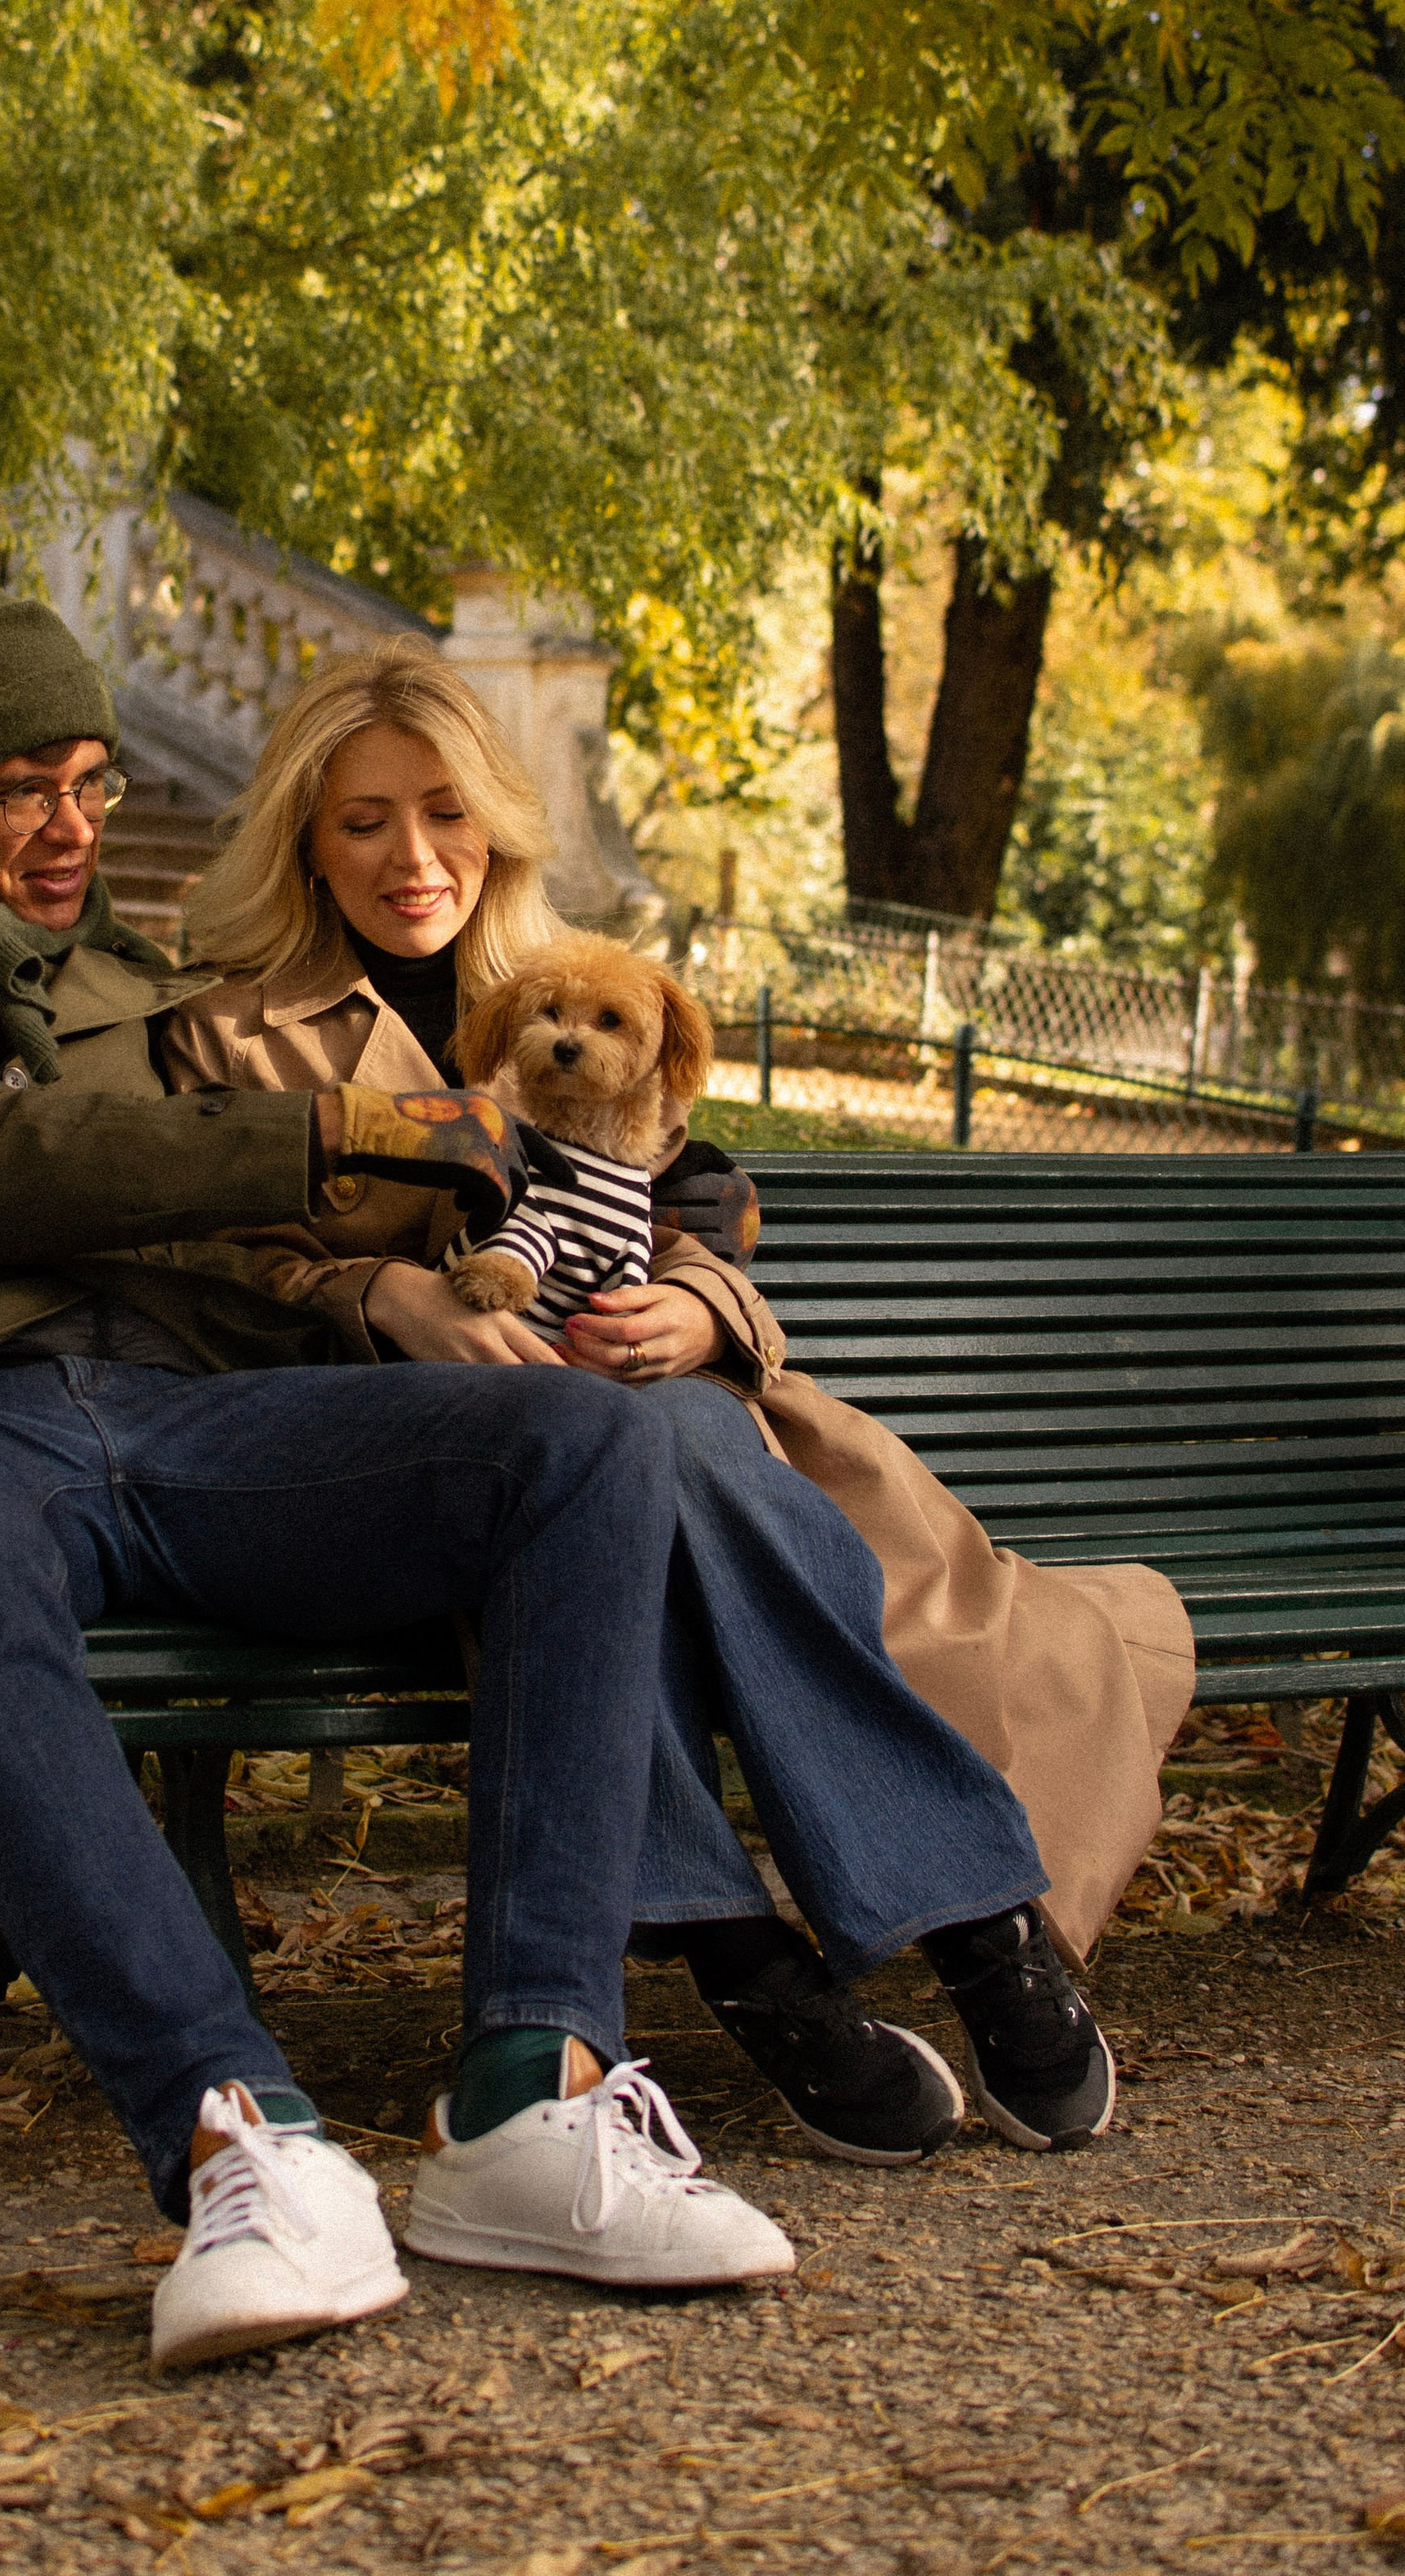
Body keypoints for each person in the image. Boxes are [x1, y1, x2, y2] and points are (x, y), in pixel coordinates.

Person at [166, 640, 1197, 2161]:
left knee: (657, 1447)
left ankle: (834, 1951)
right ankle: (921, 1921)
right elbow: (209, 1273)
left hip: (664, 1424)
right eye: (363, 821)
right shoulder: (225, 1030)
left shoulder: (580, 984)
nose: (413, 856)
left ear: (496, 825)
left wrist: (699, 1303)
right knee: (602, 1481)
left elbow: (696, 1193)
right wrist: (378, 1293)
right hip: (412, 1453)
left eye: (446, 813)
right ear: (306, 841)